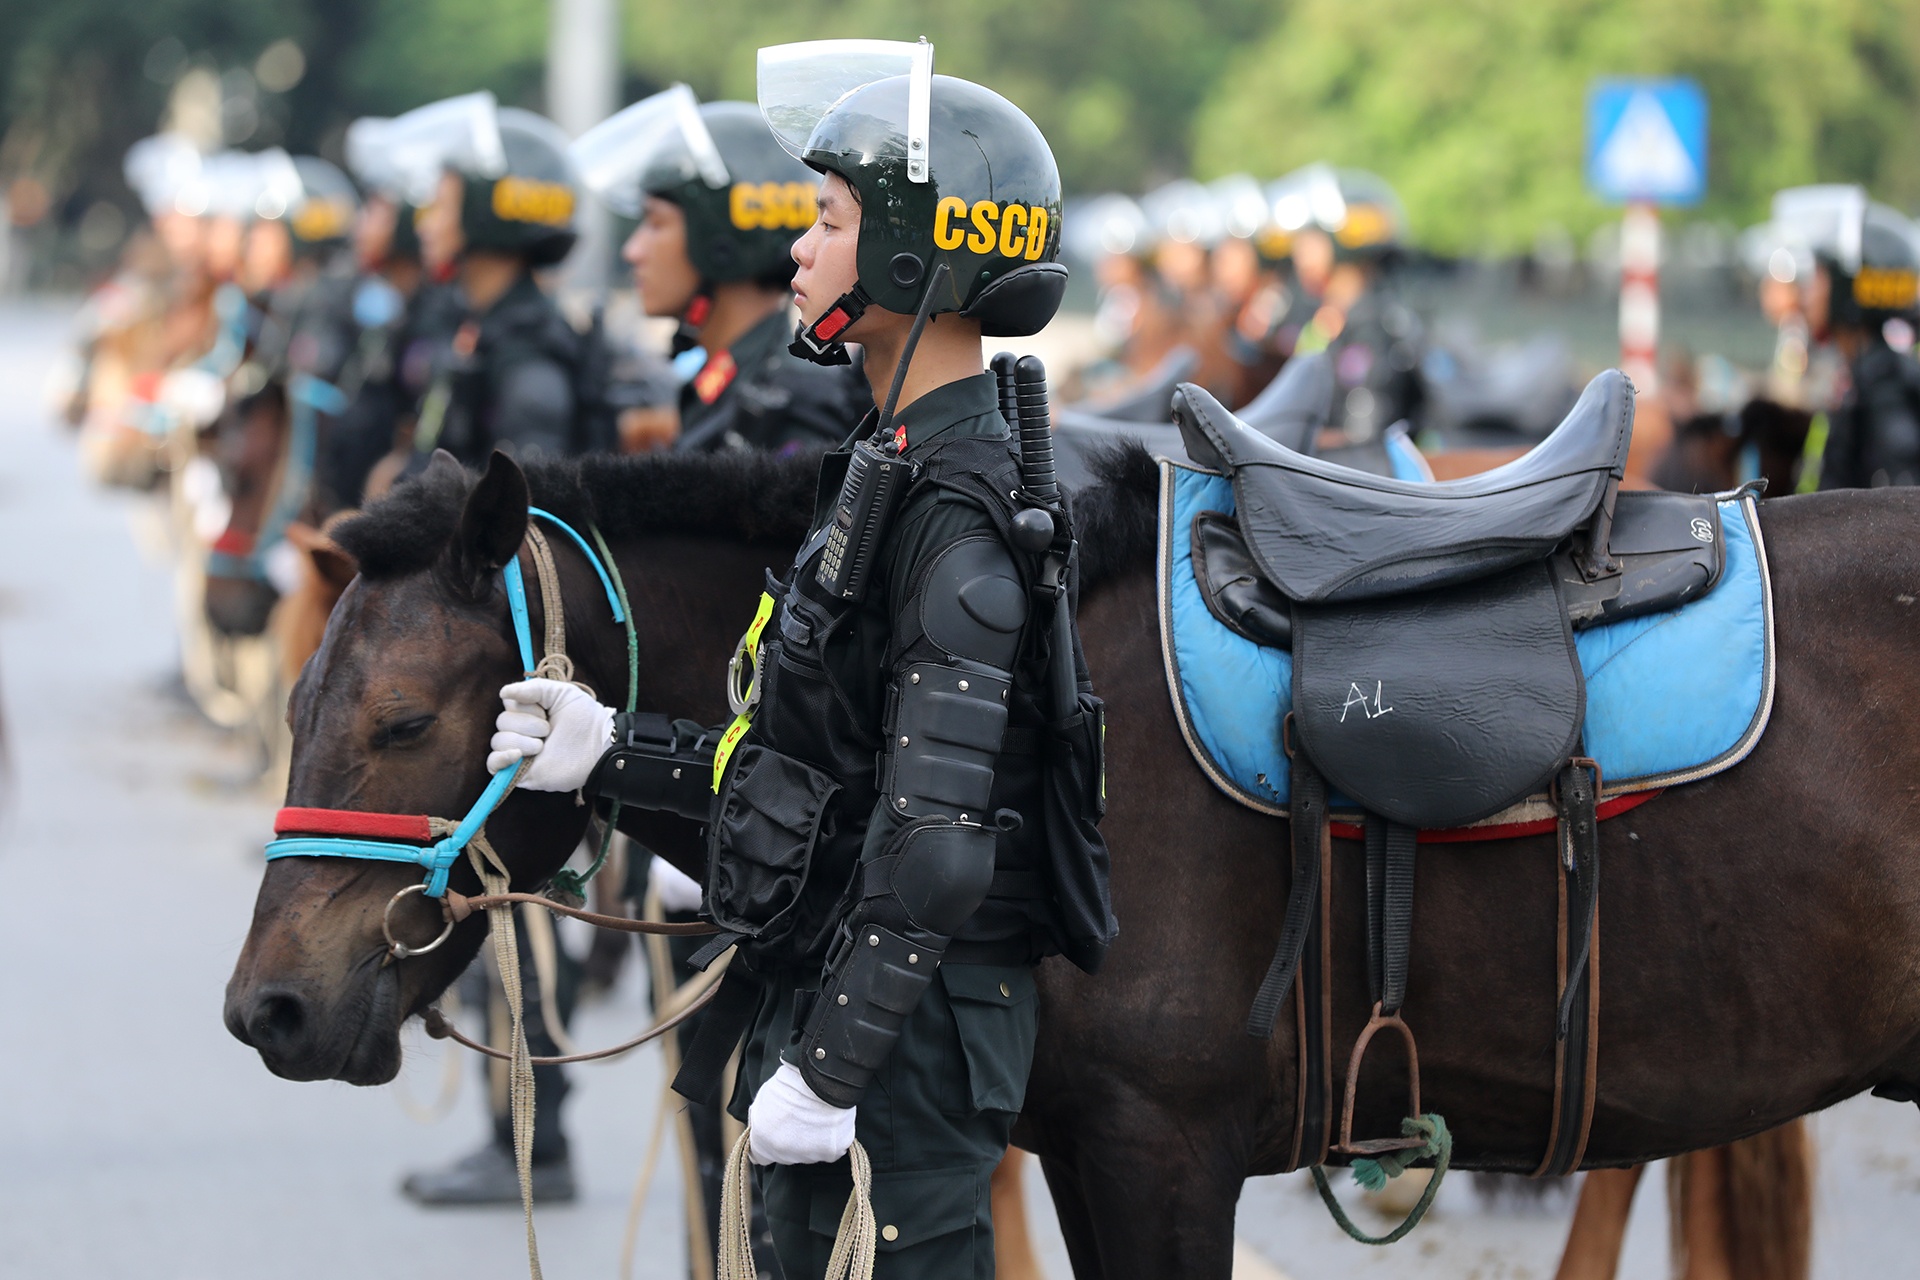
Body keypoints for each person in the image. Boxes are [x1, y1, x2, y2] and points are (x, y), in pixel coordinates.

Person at [485, 39, 1115, 1278]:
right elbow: (802, 771)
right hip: (835, 982)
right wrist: (613, 751)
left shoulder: (960, 514)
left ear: (908, 254)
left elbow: (934, 846)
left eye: (827, 221)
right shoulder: (887, 470)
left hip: (906, 1034)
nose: (796, 249)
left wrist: (828, 1072)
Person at [572, 86, 864, 456]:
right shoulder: (730, 383)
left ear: (719, 242)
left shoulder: (789, 402)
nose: (632, 251)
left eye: (655, 223)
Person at [400, 93, 598, 468]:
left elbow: (523, 503)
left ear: (483, 214)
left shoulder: (530, 354)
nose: (424, 226)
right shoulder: (481, 324)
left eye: (441, 206)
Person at [1770, 185, 1920, 490]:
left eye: (1820, 279)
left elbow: (1897, 510)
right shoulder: (1858, 378)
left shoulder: (1884, 389)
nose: (1806, 295)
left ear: (1849, 288)